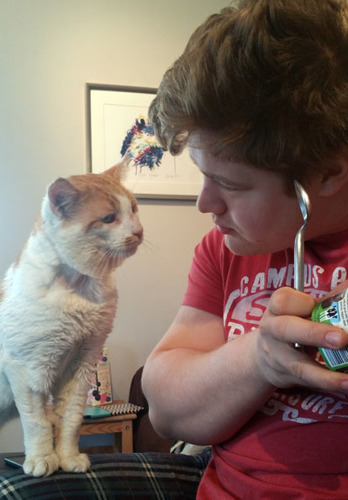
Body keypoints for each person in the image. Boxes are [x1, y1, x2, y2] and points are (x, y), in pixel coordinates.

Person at [142, 0, 348, 498]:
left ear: (328, 174)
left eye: (229, 184)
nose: (204, 204)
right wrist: (260, 358)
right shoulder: (225, 249)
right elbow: (167, 411)